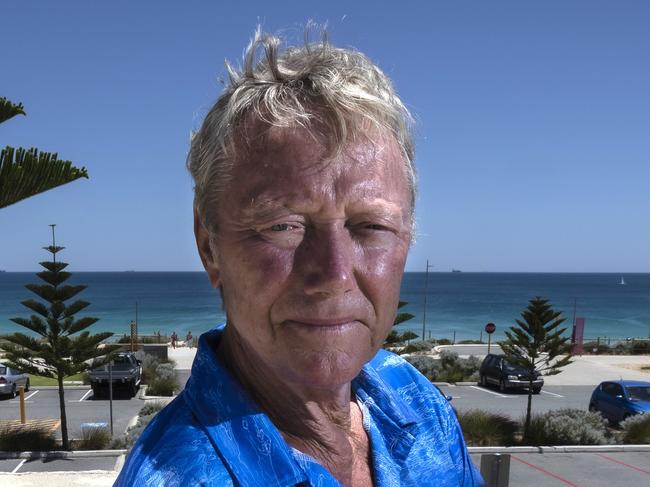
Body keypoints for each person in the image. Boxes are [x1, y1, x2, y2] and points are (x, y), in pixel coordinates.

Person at [115, 27, 482, 486]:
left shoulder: (413, 397)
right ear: (210, 246)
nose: (334, 274)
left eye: (370, 226)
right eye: (282, 226)